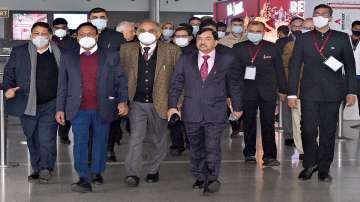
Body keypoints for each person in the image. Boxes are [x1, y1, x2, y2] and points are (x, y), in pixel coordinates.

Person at [168, 28, 243, 195]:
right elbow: (176, 84)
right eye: (200, 38)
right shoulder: (185, 59)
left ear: (216, 42)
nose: (203, 41)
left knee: (212, 146)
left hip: (215, 111)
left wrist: (237, 107)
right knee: (196, 147)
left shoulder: (227, 59)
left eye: (207, 38)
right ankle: (200, 175)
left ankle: (212, 178)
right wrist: (172, 106)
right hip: (191, 111)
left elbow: (234, 85)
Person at [55, 22, 128, 193]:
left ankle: (96, 172)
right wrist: (60, 108)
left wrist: (122, 100)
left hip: (103, 107)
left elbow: (121, 81)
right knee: (80, 142)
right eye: (82, 34)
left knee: (100, 142)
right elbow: (62, 85)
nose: (86, 37)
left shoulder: (111, 55)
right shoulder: (68, 56)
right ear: (76, 37)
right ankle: (83, 176)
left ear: (97, 36)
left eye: (90, 34)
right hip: (78, 108)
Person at [288, 4, 357, 182]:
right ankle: (310, 164)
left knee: (328, 131)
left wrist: (351, 91)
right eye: (316, 14)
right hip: (309, 92)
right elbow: (294, 66)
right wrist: (291, 94)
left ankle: (324, 168)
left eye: (323, 14)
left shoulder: (341, 38)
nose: (319, 16)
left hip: (333, 92)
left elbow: (350, 66)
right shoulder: (303, 39)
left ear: (330, 18)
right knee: (308, 129)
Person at [121, 20, 182, 187]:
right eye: (142, 30)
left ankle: (153, 169)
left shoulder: (172, 50)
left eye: (151, 30)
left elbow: (179, 79)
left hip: (161, 101)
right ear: (136, 32)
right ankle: (132, 173)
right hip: (136, 102)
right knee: (135, 138)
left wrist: (176, 105)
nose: (146, 33)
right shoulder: (126, 49)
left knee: (159, 139)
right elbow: (120, 76)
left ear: (158, 33)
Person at [3, 22, 61, 183]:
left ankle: (45, 168)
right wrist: (8, 88)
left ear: (50, 36)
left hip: (51, 103)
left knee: (46, 137)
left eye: (44, 33)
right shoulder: (19, 52)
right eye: (36, 33)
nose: (40, 36)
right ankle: (37, 168)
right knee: (32, 137)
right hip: (26, 102)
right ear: (31, 35)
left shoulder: (59, 53)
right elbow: (9, 72)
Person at [233, 21, 287, 166]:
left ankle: (269, 156)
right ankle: (249, 154)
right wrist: (233, 94)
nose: (254, 33)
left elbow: (279, 70)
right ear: (246, 30)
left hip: (268, 92)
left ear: (263, 32)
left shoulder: (272, 47)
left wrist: (283, 90)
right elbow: (234, 74)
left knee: (268, 124)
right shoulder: (238, 48)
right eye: (252, 30)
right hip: (247, 91)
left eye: (258, 31)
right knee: (248, 123)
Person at [282, 18, 314, 160]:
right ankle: (302, 150)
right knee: (297, 121)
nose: (304, 30)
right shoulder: (290, 45)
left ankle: (315, 147)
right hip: (299, 90)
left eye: (308, 27)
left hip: (320, 91)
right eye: (304, 27)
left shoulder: (326, 46)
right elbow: (286, 68)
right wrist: (288, 90)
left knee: (317, 123)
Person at [51, 18, 78, 145]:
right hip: (52, 78)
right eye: (57, 28)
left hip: (68, 78)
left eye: (63, 27)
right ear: (52, 29)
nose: (60, 30)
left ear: (67, 28)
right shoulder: (49, 42)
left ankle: (63, 133)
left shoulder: (73, 42)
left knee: (66, 108)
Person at [350, 20, 360, 129]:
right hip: (347, 76)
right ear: (352, 28)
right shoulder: (346, 40)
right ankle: (336, 123)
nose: (358, 31)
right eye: (356, 28)